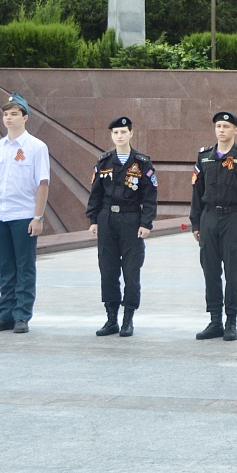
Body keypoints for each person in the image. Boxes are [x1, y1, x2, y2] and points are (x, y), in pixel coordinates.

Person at [0, 93, 50, 334]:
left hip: (23, 216)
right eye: (6, 114)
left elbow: (43, 184)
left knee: (24, 267)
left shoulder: (36, 147)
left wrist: (38, 217)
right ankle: (5, 315)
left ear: (25, 117)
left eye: (14, 114)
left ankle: (22, 315)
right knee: (5, 268)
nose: (8, 118)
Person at [190, 111, 237, 342]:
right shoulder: (204, 156)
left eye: (226, 126)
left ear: (235, 130)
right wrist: (195, 222)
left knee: (232, 272)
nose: (221, 130)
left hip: (232, 218)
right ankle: (215, 321)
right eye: (218, 126)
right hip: (209, 218)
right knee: (210, 271)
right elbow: (196, 192)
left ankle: (231, 321)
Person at [85, 116, 158, 338]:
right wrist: (93, 219)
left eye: (123, 132)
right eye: (116, 132)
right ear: (111, 135)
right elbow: (95, 193)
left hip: (131, 219)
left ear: (131, 134)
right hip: (107, 219)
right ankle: (111, 319)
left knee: (131, 270)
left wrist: (146, 222)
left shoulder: (142, 162)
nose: (119, 136)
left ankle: (128, 319)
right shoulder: (104, 161)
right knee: (107, 269)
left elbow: (150, 195)